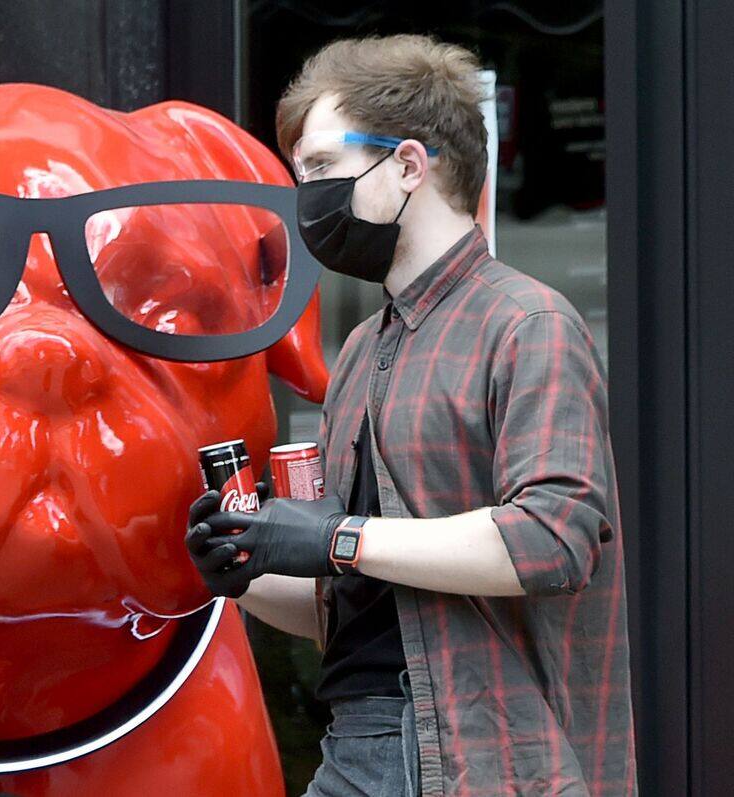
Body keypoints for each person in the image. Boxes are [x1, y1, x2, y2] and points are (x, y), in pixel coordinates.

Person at [185, 33, 637, 796]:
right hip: (358, 741)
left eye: (323, 165)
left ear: (406, 165)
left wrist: (335, 535)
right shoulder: (361, 350)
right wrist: (247, 567)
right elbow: (347, 608)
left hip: (486, 755)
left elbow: (553, 538)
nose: (308, 193)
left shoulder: (528, 322)